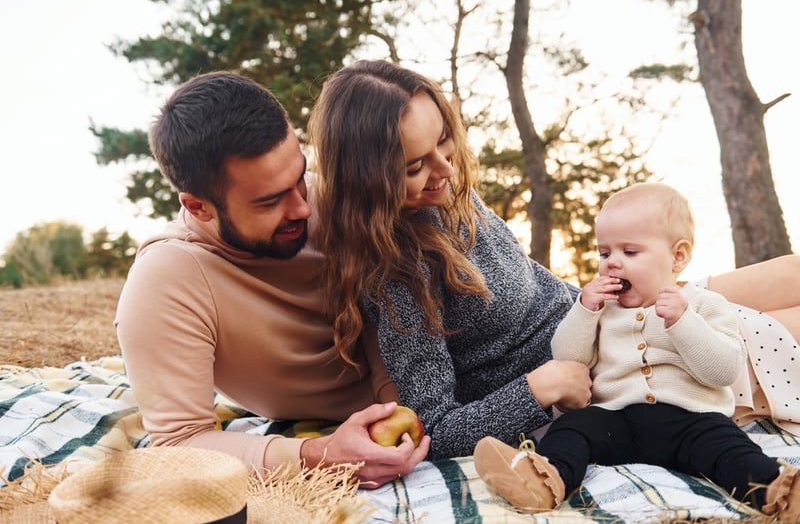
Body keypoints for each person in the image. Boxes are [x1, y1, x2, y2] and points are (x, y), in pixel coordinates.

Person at [308, 59, 800, 461]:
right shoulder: (395, 276)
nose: (445, 169)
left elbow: (536, 288)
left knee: (793, 273)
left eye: (443, 140)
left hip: (610, 307)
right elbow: (435, 428)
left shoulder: (451, 197)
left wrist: (614, 288)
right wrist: (536, 388)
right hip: (616, 361)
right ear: (369, 180)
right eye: (414, 166)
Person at [114, 71, 429, 489]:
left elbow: (385, 310)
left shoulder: (333, 199)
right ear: (199, 206)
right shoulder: (166, 283)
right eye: (269, 200)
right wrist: (318, 456)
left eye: (299, 176)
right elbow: (180, 443)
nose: (303, 207)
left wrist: (400, 403)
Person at [472, 182, 800, 520]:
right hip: (619, 422)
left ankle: (780, 491)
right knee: (574, 429)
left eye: (629, 252)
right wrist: (585, 309)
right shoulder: (602, 312)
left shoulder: (704, 305)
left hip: (692, 421)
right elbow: (569, 356)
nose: (612, 263)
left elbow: (723, 370)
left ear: (677, 256)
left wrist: (684, 322)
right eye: (604, 253)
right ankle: (545, 479)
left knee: (729, 450)